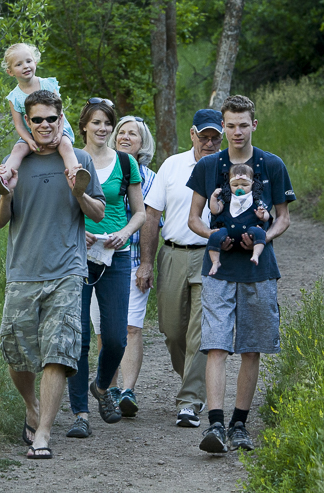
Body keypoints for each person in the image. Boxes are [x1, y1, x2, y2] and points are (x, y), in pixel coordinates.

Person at [0, 89, 106, 459]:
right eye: (36, 119)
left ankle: (43, 433)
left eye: (50, 119)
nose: (44, 125)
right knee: (17, 356)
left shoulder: (80, 159)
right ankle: (31, 406)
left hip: (67, 272)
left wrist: (80, 194)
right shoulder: (13, 164)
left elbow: (99, 214)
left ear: (61, 119)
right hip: (22, 272)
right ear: (27, 121)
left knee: (58, 353)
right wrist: (6, 195)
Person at [186, 95, 295, 454]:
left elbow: (283, 218)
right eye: (229, 125)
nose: (236, 132)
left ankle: (239, 424)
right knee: (216, 344)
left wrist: (262, 238)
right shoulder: (208, 166)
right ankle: (215, 424)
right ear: (224, 125)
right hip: (218, 270)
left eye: (242, 125)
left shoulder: (272, 164)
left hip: (258, 269)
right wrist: (216, 236)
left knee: (251, 348)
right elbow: (194, 219)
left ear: (254, 125)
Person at [136, 109, 224, 428]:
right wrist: (147, 262)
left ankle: (189, 401)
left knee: (200, 331)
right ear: (192, 134)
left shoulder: (230, 168)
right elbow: (150, 215)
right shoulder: (172, 166)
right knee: (173, 331)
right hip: (172, 254)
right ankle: (195, 378)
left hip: (213, 257)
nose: (210, 142)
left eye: (216, 137)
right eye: (205, 137)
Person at [66, 99, 147, 439]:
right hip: (78, 254)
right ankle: (80, 413)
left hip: (117, 254)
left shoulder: (126, 163)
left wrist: (125, 234)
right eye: (95, 122)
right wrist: (77, 231)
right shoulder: (69, 159)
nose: (101, 128)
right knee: (80, 337)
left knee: (115, 338)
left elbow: (140, 212)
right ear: (83, 125)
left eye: (107, 123)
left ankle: (101, 386)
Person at [87, 115, 159, 417]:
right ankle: (109, 389)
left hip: (131, 261)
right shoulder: (93, 167)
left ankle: (128, 389)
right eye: (122, 132)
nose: (125, 137)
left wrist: (146, 263)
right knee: (104, 330)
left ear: (143, 144)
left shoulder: (149, 177)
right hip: (96, 258)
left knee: (130, 328)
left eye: (134, 134)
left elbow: (151, 221)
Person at [0, 43, 90, 196]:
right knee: (18, 150)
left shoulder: (47, 83)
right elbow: (19, 125)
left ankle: (76, 177)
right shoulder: (14, 97)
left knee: (66, 147)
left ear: (35, 62)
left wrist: (60, 134)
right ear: (10, 72)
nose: (26, 66)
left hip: (57, 128)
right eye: (19, 64)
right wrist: (29, 141)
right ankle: (3, 177)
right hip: (32, 133)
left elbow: (60, 113)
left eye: (28, 61)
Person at [206, 163, 271, 274]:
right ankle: (215, 262)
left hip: (250, 228)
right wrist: (213, 198)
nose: (239, 188)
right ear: (229, 184)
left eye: (244, 185)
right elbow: (215, 210)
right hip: (227, 229)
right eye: (235, 185)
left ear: (252, 184)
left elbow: (266, 215)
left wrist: (263, 215)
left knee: (260, 233)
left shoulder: (255, 200)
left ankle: (256, 254)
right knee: (214, 236)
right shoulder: (226, 199)